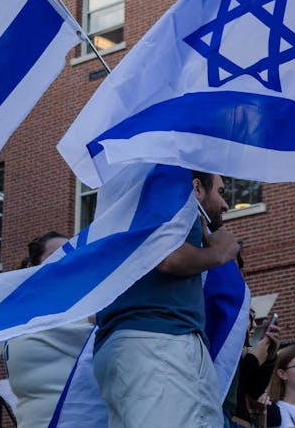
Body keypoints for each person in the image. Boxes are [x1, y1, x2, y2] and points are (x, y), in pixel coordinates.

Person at [92, 170, 240, 428]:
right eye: (221, 191)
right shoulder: (171, 172)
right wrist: (219, 253)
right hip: (161, 347)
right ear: (196, 187)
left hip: (132, 347)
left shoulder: (132, 187)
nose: (226, 204)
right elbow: (168, 258)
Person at [4, 231, 94, 427]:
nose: (66, 263)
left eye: (71, 256)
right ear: (31, 268)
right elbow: (107, 326)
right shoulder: (36, 318)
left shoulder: (19, 314)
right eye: (56, 257)